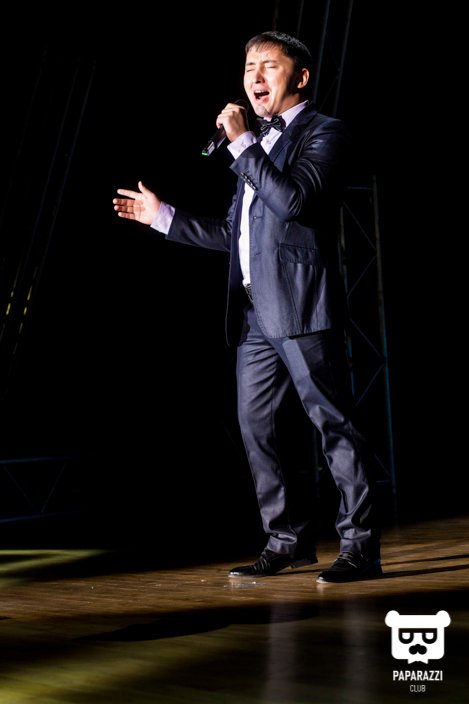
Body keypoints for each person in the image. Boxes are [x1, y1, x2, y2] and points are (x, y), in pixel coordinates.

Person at [112, 30, 382, 583]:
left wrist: (242, 146)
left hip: (302, 308)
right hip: (254, 313)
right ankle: (286, 540)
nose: (255, 77)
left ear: (300, 77)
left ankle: (359, 545)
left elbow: (295, 201)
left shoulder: (323, 132)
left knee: (332, 424)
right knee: (258, 429)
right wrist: (164, 218)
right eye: (248, 66)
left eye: (269, 66)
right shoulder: (255, 146)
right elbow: (235, 234)